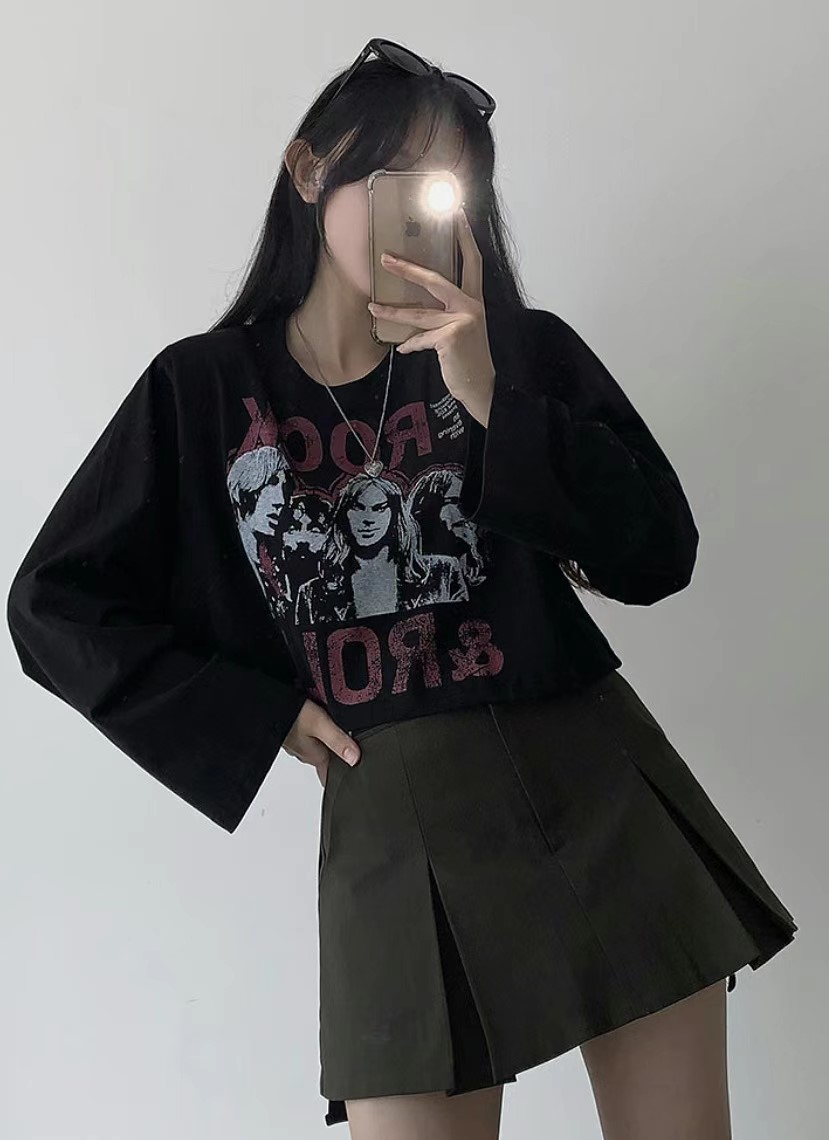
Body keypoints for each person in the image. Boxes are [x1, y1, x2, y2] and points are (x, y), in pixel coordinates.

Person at [6, 38, 797, 1140]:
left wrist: (490, 400)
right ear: (307, 170)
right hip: (395, 828)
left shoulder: (520, 353)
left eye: (443, 185)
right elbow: (52, 603)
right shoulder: (205, 388)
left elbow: (658, 554)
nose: (416, 206)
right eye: (389, 175)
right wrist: (256, 713)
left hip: (597, 786)